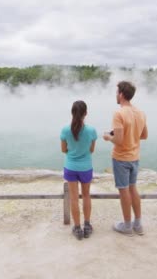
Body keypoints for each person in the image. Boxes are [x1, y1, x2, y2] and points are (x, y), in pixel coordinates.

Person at [103, 81, 148, 236]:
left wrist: (108, 137)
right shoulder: (140, 113)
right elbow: (144, 135)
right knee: (133, 188)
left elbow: (119, 140)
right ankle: (138, 225)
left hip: (121, 158)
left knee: (124, 191)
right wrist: (131, 135)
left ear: (121, 94)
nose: (116, 95)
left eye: (117, 93)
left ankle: (127, 226)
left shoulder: (119, 113)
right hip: (135, 157)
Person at [60, 100, 97, 240]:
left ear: (72, 113)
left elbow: (63, 150)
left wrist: (73, 151)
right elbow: (91, 150)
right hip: (86, 167)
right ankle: (87, 226)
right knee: (86, 195)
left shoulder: (65, 130)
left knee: (74, 198)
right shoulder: (91, 131)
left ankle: (77, 228)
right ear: (85, 113)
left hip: (70, 167)